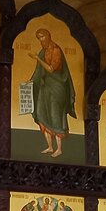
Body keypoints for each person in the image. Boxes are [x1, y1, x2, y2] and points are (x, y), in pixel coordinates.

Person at [28, 28, 76, 158]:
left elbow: (51, 69)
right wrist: (30, 81)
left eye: (42, 37)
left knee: (55, 116)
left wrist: (37, 58)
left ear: (48, 36)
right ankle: (50, 146)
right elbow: (38, 71)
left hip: (57, 87)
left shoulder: (56, 50)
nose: (41, 40)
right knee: (41, 112)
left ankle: (59, 148)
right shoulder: (42, 52)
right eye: (39, 38)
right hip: (45, 87)